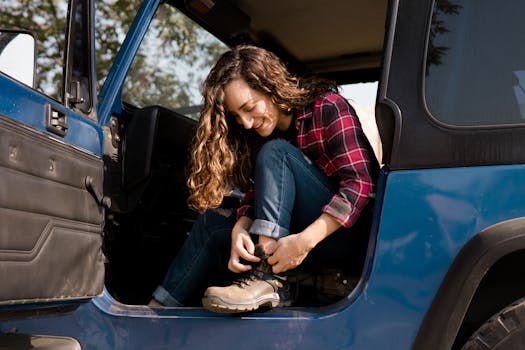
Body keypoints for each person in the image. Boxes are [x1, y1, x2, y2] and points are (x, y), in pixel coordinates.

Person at [149, 45, 377, 312]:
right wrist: (241, 228)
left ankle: (267, 278)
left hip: (343, 236)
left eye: (249, 107)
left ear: (270, 87)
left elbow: (360, 184)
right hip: (292, 233)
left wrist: (304, 241)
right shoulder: (260, 136)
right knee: (212, 223)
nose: (246, 122)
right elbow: (258, 195)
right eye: (236, 116)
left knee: (277, 153)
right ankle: (155, 312)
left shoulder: (327, 108)